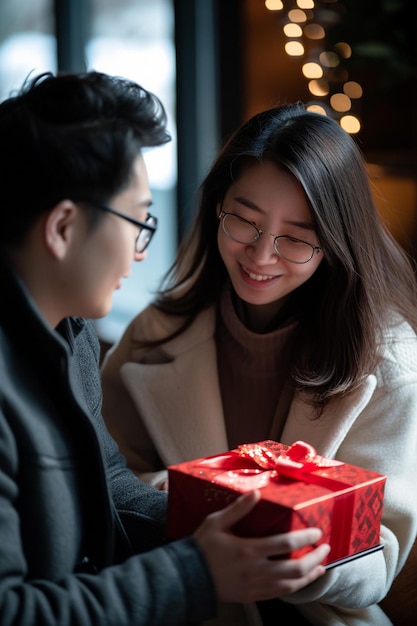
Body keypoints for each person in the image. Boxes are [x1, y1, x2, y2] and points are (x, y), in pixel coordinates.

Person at [0, 72, 332, 626]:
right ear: (62, 227)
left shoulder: (70, 332)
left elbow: (108, 484)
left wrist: (229, 523)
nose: (139, 247)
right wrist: (196, 572)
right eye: (137, 219)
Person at [101, 102, 417, 625]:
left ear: (336, 241)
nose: (261, 254)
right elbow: (111, 473)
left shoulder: (388, 360)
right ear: (216, 208)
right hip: (182, 600)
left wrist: (307, 551)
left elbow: (380, 551)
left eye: (295, 237)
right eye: (244, 220)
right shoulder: (155, 334)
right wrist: (201, 502)